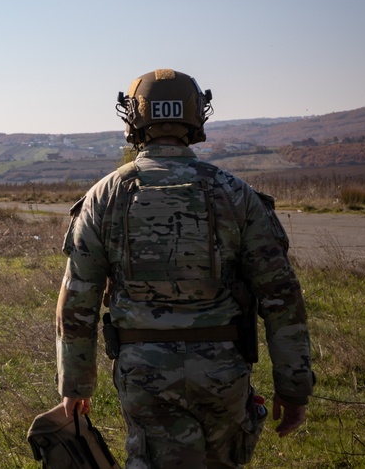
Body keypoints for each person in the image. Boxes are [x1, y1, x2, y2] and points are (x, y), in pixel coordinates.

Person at [54, 69, 314, 468]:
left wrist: (74, 384)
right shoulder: (235, 193)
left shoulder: (105, 195)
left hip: (143, 372)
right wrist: (293, 388)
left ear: (134, 118)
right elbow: (281, 298)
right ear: (197, 115)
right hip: (223, 371)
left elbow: (77, 301)